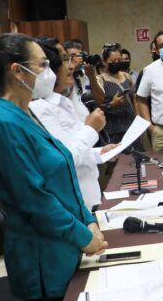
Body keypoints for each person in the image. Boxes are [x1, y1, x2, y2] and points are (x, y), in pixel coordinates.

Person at [0, 34, 107, 301]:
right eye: (42, 64)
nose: (49, 71)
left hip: (62, 245)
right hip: (43, 259)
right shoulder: (2, 123)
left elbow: (60, 171)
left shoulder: (25, 112)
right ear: (18, 71)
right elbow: (35, 200)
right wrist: (83, 236)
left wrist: (86, 217)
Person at [29, 37, 118, 210]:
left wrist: (101, 152)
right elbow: (63, 159)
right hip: (72, 205)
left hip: (89, 197)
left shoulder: (63, 101)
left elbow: (78, 150)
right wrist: (91, 129)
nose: (71, 66)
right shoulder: (38, 109)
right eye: (64, 60)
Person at [96, 44, 140, 148]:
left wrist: (138, 121)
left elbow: (134, 99)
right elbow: (97, 106)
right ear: (104, 61)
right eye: (112, 61)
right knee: (119, 161)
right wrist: (112, 104)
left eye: (119, 60)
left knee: (135, 160)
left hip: (130, 124)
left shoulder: (126, 76)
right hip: (113, 128)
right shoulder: (100, 79)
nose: (116, 63)